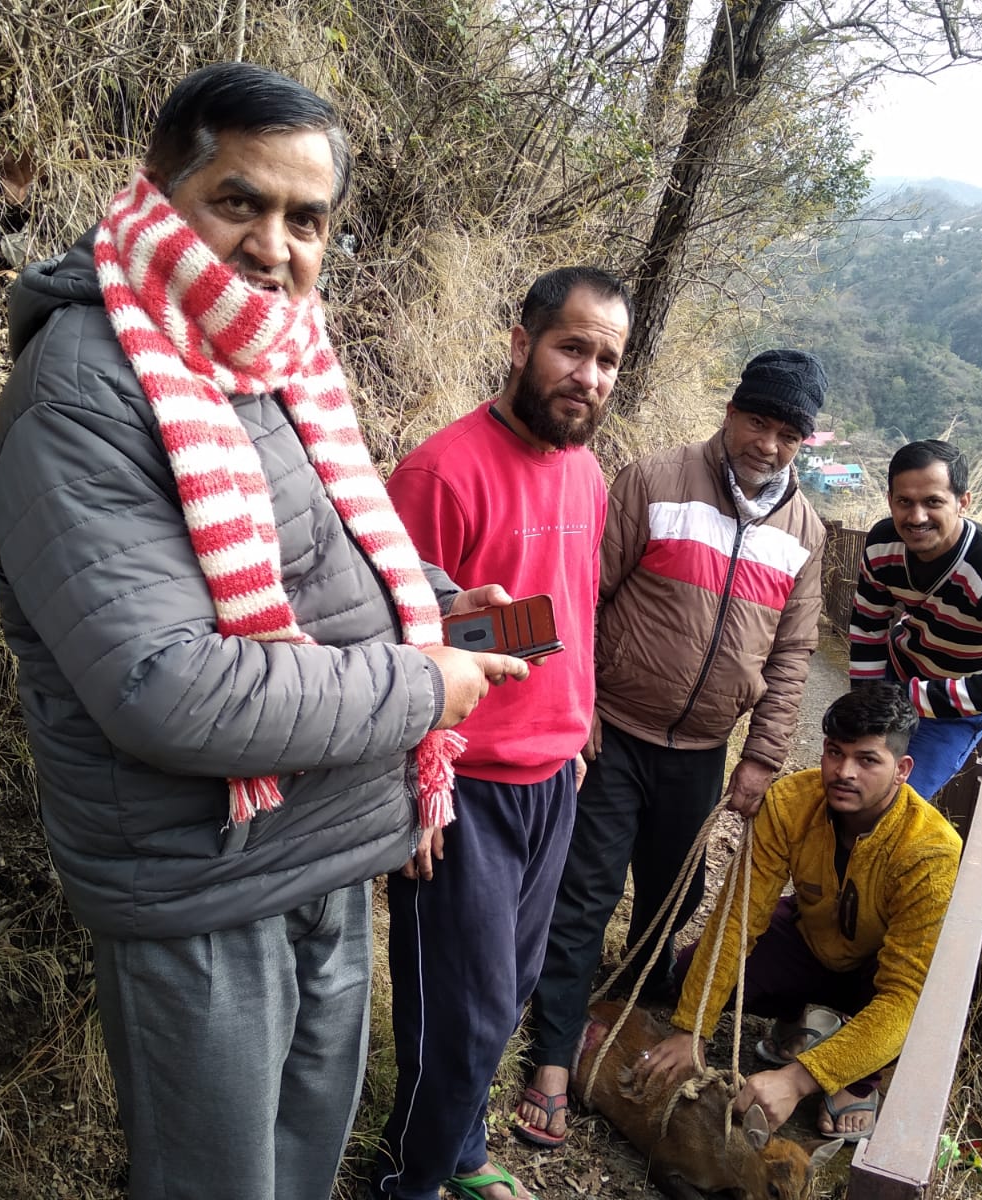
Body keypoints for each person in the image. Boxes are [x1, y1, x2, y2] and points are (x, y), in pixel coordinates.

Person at [0, 63, 528, 1200]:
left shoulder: (267, 359)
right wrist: (422, 685)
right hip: (204, 881)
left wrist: (425, 595)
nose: (275, 246)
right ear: (161, 193)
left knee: (298, 1164)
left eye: (306, 218)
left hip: (323, 847)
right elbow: (166, 687)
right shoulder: (87, 388)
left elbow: (304, 551)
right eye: (242, 201)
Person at [518, 349, 827, 1149]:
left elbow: (792, 656)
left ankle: (631, 1025)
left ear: (804, 442)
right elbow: (585, 595)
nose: (768, 443)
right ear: (732, 411)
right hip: (615, 729)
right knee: (584, 893)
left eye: (787, 432)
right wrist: (577, 701)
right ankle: (551, 1056)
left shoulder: (805, 533)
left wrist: (762, 755)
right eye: (758, 420)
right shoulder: (653, 478)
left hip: (702, 750)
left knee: (672, 900)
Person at [369, 268, 631, 1200]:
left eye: (607, 359)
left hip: (553, 776)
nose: (589, 375)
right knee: (463, 1010)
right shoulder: (440, 472)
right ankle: (411, 1180)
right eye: (573, 348)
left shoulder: (587, 471)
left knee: (507, 996)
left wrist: (579, 710)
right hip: (464, 785)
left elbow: (565, 611)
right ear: (522, 344)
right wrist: (416, 787)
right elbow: (393, 640)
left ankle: (457, 1145)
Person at [637, 684, 962, 1142]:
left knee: (918, 1015)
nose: (844, 772)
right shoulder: (792, 801)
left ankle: (855, 1079)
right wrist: (694, 1029)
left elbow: (904, 995)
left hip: (875, 971)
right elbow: (737, 918)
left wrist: (797, 1080)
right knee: (691, 970)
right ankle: (797, 1019)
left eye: (867, 760)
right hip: (811, 935)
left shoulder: (931, 850)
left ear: (902, 770)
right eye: (835, 752)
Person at [849, 439, 982, 798]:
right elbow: (867, 627)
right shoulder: (881, 544)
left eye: (933, 502)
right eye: (904, 502)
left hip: (957, 703)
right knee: (851, 786)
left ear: (963, 502)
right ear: (890, 500)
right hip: (899, 670)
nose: (917, 517)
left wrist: (905, 697)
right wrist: (866, 702)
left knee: (898, 802)